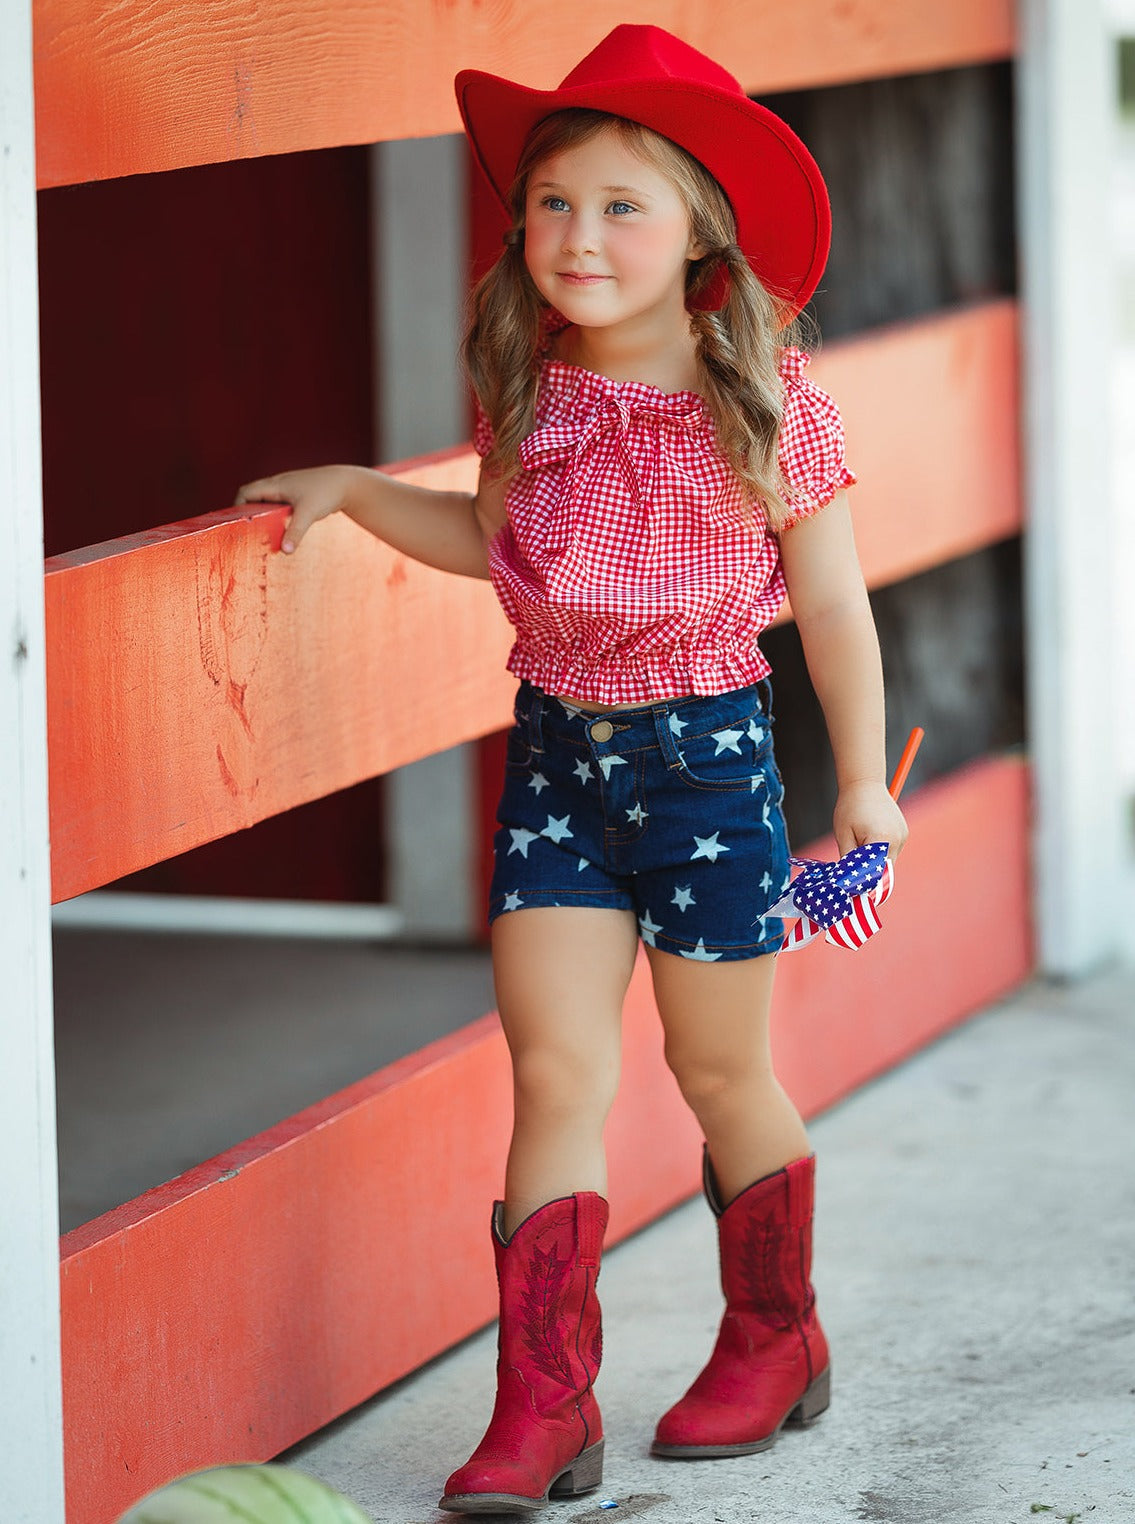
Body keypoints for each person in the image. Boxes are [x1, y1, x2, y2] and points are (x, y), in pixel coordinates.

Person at [237, 23, 908, 1516]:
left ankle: (776, 1335)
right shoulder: (531, 391)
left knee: (720, 1066)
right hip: (556, 763)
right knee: (552, 1071)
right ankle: (545, 1402)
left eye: (621, 206)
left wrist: (860, 782)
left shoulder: (769, 406)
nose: (577, 236)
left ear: (695, 239)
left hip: (711, 767)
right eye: (551, 202)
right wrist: (359, 494)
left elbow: (842, 607)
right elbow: (495, 549)